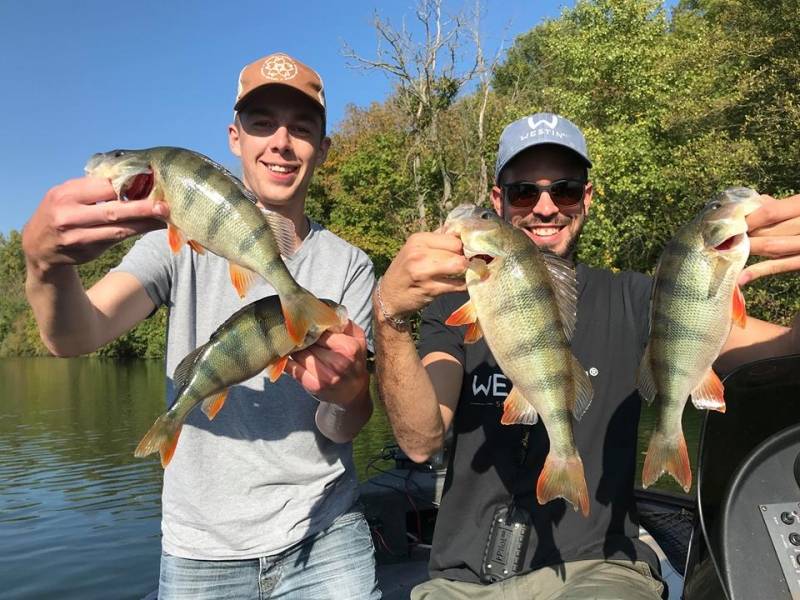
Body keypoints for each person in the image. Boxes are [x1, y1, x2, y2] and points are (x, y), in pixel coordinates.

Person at [373, 112, 800, 599]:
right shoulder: (452, 305)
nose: (546, 206)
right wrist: (389, 315)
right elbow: (420, 440)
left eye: (566, 190)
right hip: (460, 581)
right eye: (524, 192)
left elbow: (786, 348)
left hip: (600, 569)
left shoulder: (638, 298)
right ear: (499, 201)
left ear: (587, 199)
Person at [22, 53, 381, 599]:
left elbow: (341, 427)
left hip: (325, 538)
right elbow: (74, 336)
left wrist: (349, 393)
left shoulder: (350, 265)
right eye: (263, 123)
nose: (281, 141)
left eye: (301, 128)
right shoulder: (174, 246)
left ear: (322, 148)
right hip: (201, 553)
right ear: (234, 138)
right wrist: (46, 264)